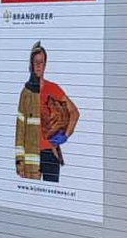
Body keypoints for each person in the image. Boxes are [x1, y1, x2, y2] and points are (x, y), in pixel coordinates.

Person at [13, 42, 78, 183]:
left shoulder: (53, 89)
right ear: (31, 64)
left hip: (50, 154)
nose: (38, 66)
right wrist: (19, 161)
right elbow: (20, 130)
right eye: (35, 62)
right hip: (31, 158)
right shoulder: (26, 93)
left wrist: (63, 137)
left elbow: (74, 113)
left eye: (41, 62)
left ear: (45, 65)